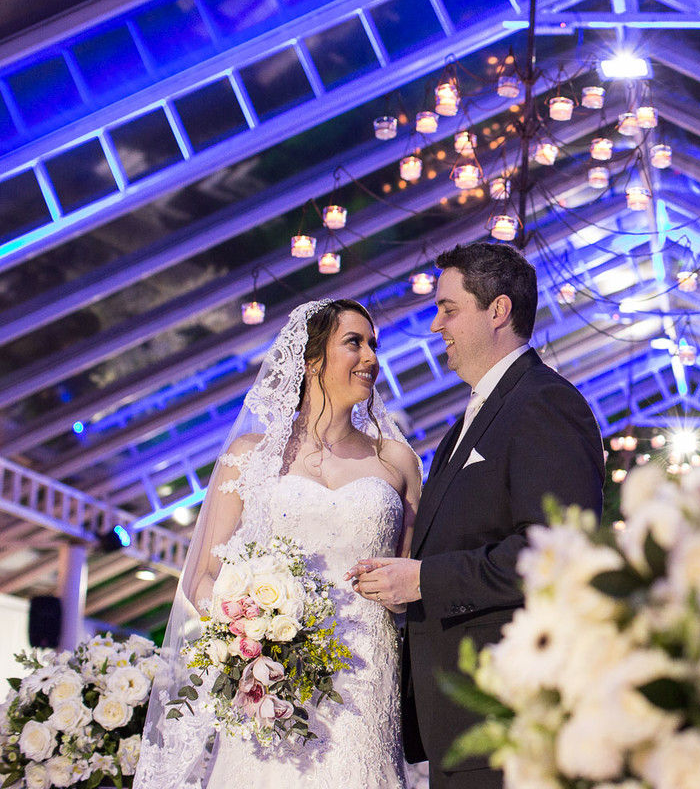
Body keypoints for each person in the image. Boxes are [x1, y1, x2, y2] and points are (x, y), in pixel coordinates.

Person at [134, 299, 423, 789]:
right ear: (311, 361)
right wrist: (248, 631)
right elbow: (202, 575)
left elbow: (411, 574)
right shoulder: (249, 457)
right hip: (268, 683)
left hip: (366, 683)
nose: (371, 356)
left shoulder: (397, 461)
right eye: (354, 342)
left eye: (374, 344)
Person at [348, 242, 605, 789]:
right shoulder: (468, 419)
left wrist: (423, 580)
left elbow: (556, 552)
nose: (435, 324)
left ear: (498, 311)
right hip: (456, 718)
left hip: (504, 712)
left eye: (448, 308)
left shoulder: (542, 403)